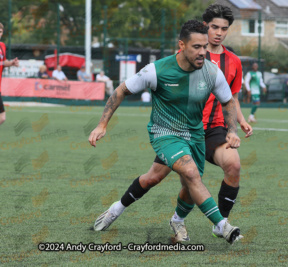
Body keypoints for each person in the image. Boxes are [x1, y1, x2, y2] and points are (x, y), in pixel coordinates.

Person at [93, 4, 251, 244]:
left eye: (205, 47)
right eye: (196, 47)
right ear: (182, 46)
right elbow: (121, 91)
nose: (202, 52)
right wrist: (102, 125)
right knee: (190, 173)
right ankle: (223, 225)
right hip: (164, 133)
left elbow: (229, 102)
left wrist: (232, 130)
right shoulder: (156, 71)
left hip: (195, 135)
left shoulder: (212, 72)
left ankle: (123, 210)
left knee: (162, 180)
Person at [0, 22, 19, 126]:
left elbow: (3, 62)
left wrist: (11, 63)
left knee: (2, 118)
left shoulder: (2, 46)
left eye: (0, 32)